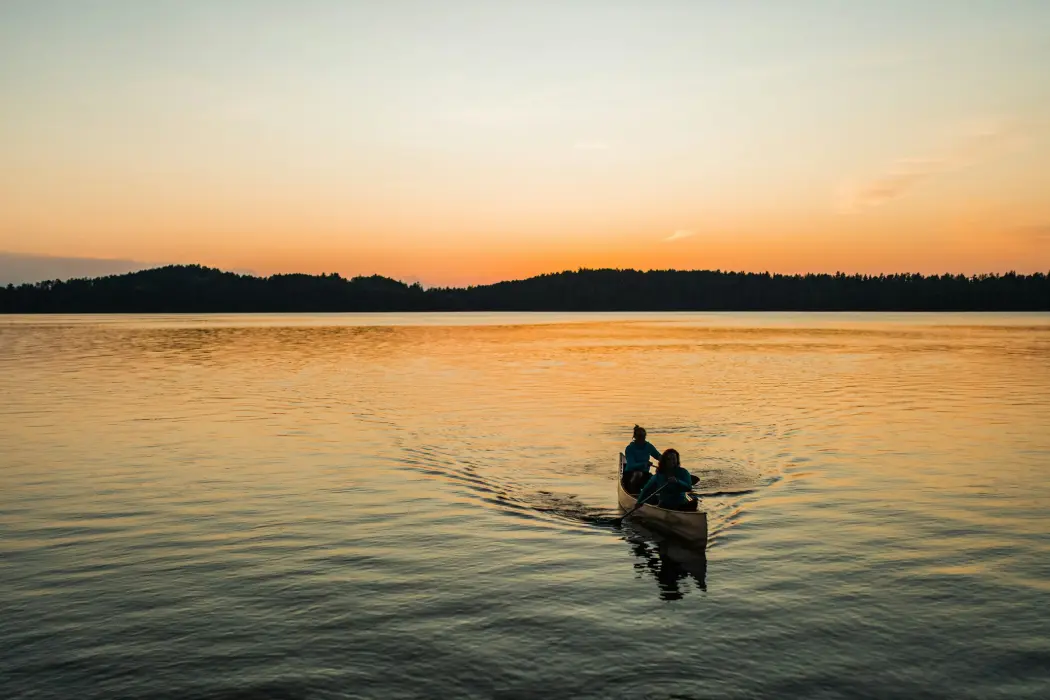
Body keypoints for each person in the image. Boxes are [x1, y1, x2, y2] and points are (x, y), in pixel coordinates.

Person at [623, 425, 661, 493]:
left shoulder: (648, 446)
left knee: (657, 480)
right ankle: (633, 491)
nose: (642, 438)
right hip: (630, 473)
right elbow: (631, 465)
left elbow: (659, 457)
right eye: (639, 436)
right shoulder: (629, 448)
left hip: (645, 474)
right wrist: (644, 464)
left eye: (643, 436)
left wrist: (668, 462)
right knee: (638, 474)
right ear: (635, 437)